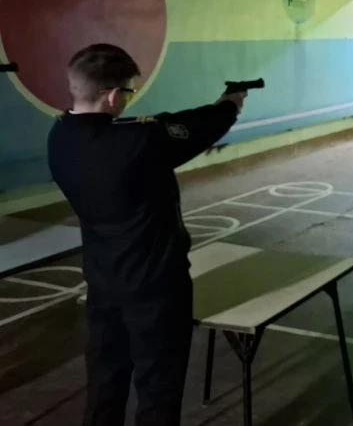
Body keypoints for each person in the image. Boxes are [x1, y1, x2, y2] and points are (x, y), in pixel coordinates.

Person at [48, 43, 246, 426]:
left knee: (105, 381)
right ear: (111, 95)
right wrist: (230, 104)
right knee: (158, 388)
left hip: (102, 281)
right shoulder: (139, 141)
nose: (127, 101)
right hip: (155, 286)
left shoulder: (59, 136)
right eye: (127, 92)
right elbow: (194, 127)